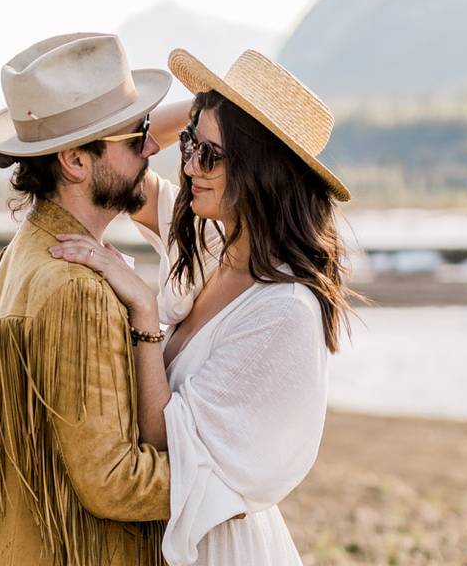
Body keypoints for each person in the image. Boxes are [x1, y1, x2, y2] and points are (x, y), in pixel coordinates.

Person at [49, 48, 356, 565]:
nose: (188, 166)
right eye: (189, 145)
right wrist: (212, 105)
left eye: (209, 156)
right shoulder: (211, 244)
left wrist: (144, 313)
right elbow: (127, 165)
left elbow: (161, 438)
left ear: (263, 172)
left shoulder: (284, 314)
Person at [0, 32, 180, 566]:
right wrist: (229, 482)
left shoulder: (23, 252)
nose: (152, 147)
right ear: (76, 160)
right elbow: (112, 482)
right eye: (138, 136)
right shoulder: (79, 289)